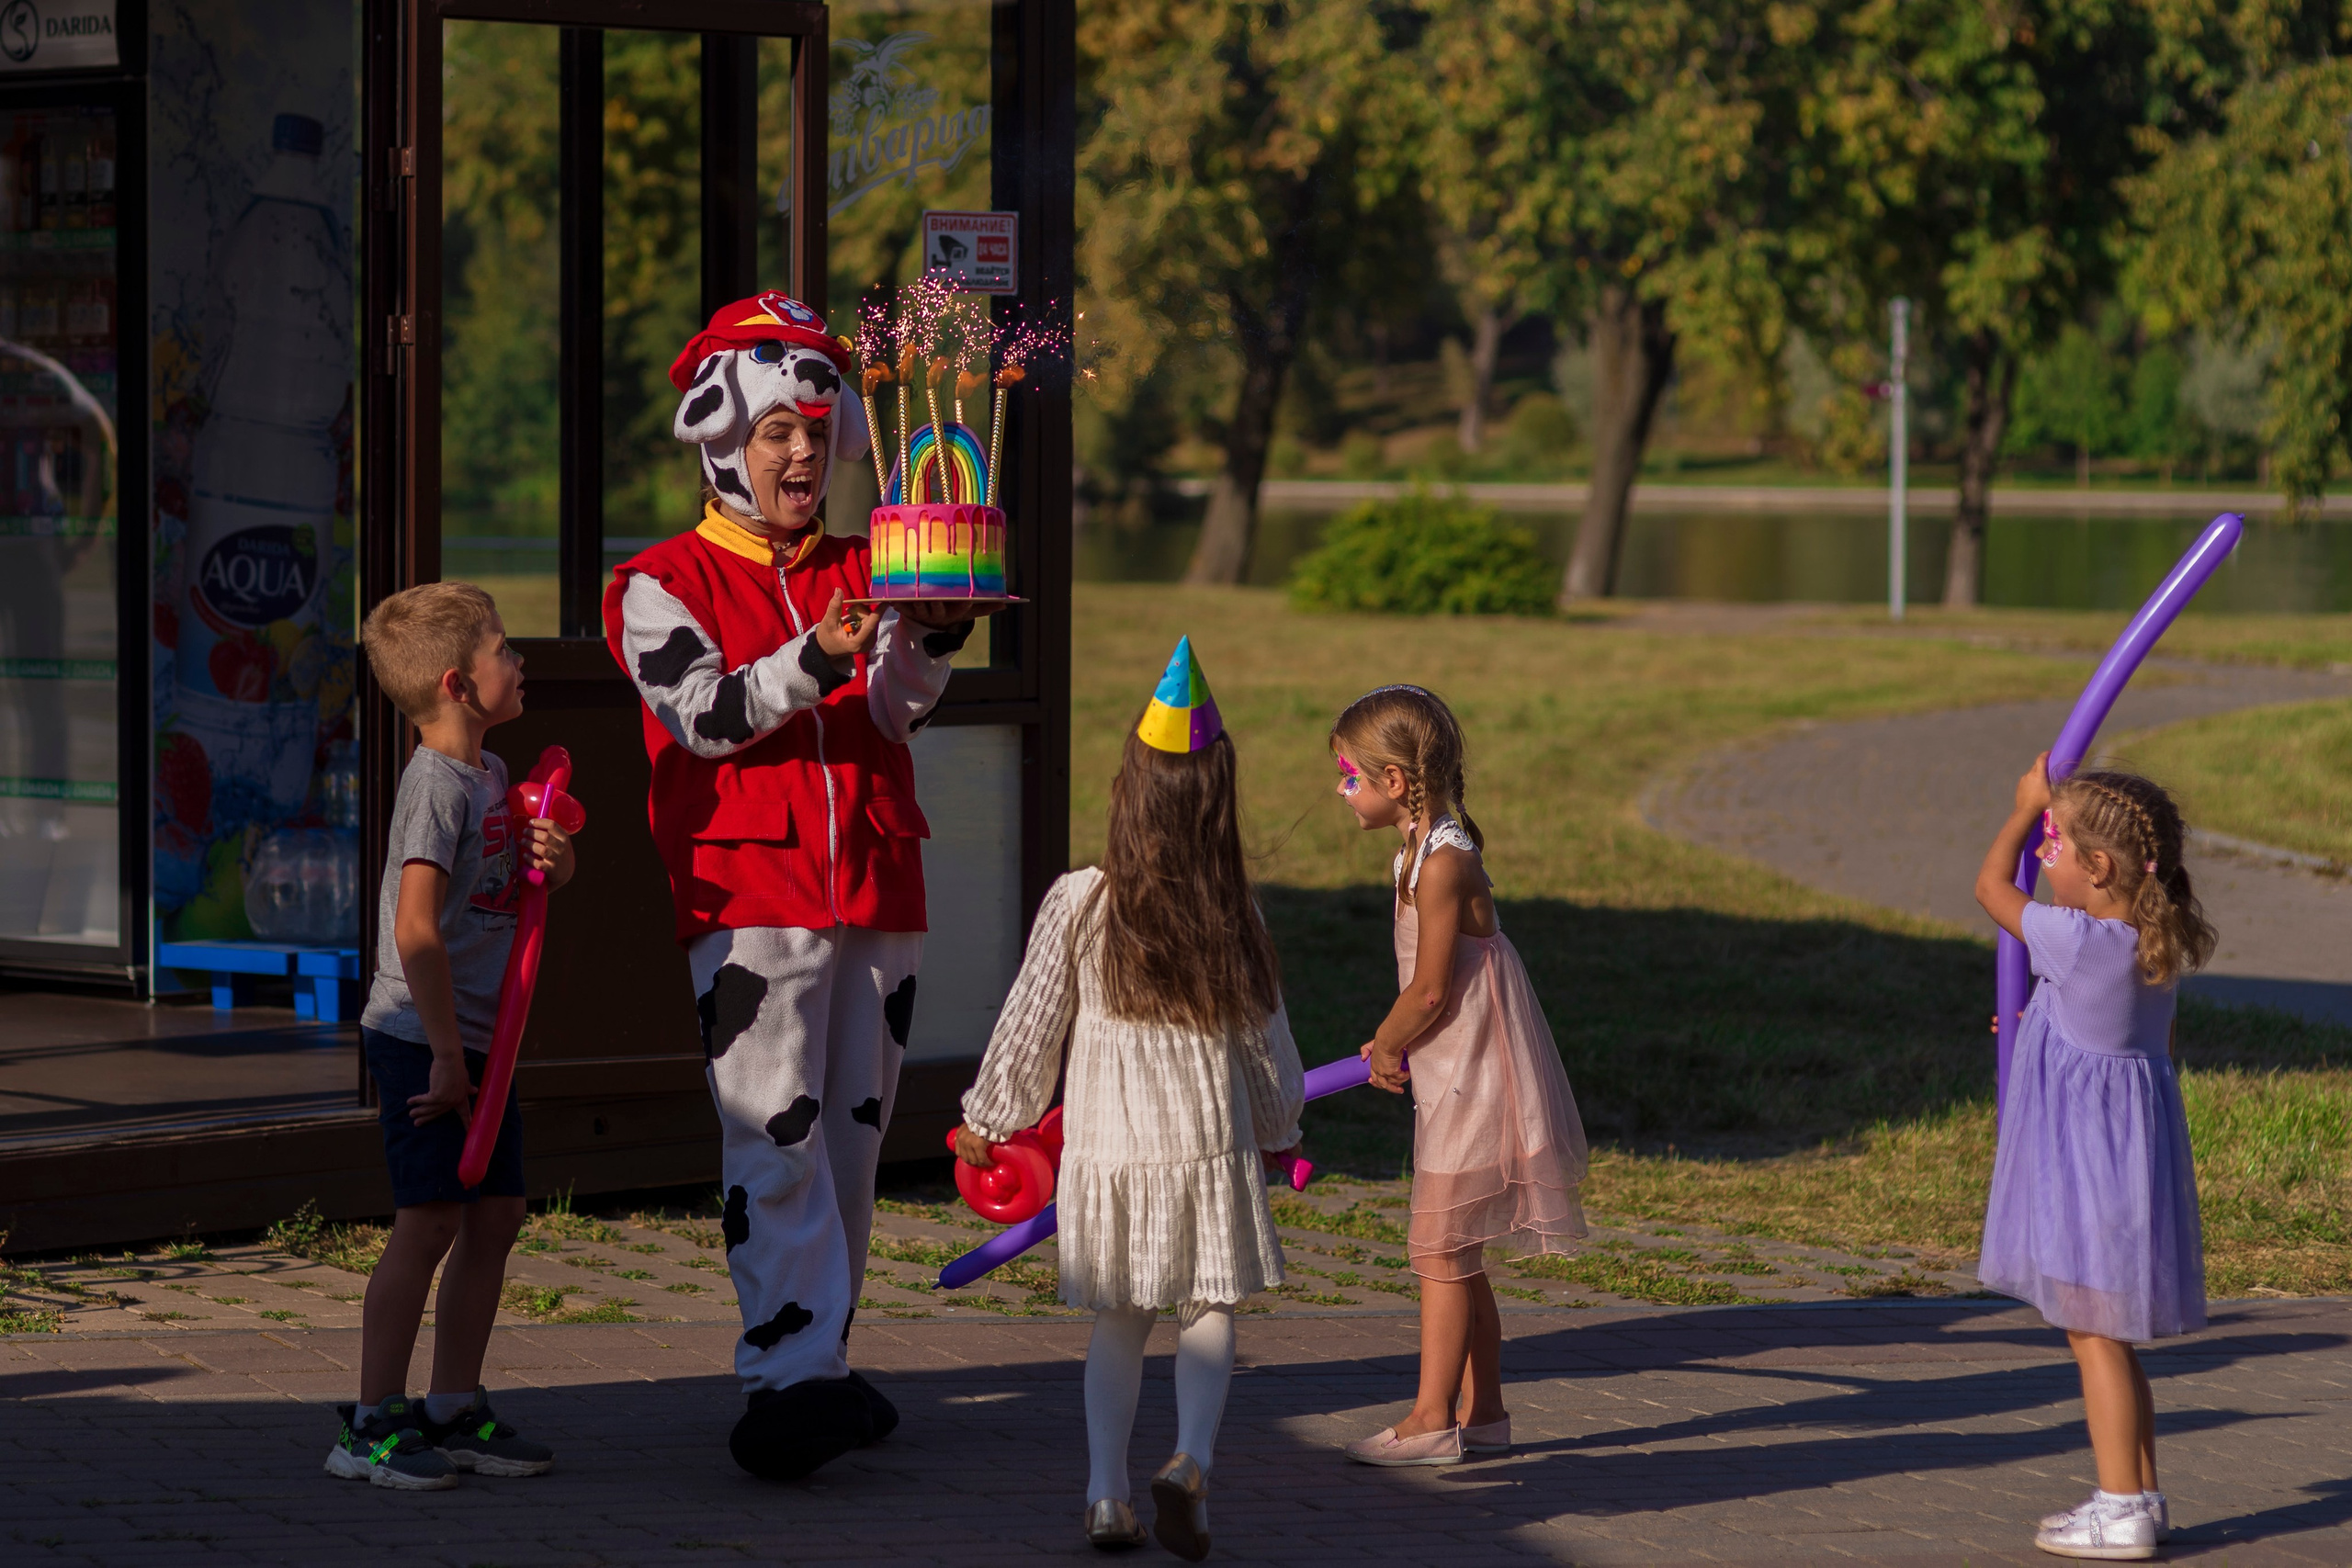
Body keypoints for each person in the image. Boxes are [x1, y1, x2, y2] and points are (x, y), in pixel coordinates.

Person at [604, 291, 997, 1482]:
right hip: (749, 894)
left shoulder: (873, 556)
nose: (800, 451)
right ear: (722, 435)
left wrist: (927, 636)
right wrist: (811, 655)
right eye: (777, 428)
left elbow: (891, 712)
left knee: (851, 1145)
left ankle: (818, 1353)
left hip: (876, 880)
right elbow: (705, 718)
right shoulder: (653, 583)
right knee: (772, 1136)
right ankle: (784, 1377)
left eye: (816, 430)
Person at [955, 637, 1304, 1560]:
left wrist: (989, 1121)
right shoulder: (1235, 915)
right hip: (1206, 1146)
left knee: (1119, 1320)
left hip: (1107, 1153)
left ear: (1130, 788)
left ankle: (1107, 1494)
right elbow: (1267, 1051)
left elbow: (1029, 1027)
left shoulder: (1080, 900)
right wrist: (1280, 1130)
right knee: (1208, 1309)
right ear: (1218, 798)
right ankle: (1190, 1459)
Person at [333, 581, 575, 1490]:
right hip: (423, 1037)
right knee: (429, 1217)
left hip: (483, 1041)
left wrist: (560, 855)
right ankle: (370, 1422)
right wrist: (443, 1053)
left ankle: (452, 1404)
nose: (519, 662)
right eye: (502, 650)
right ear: (458, 684)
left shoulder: (492, 775)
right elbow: (417, 930)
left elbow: (516, 883)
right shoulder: (434, 786)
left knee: (497, 1213)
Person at [1330, 684, 1589, 1468]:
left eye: (1351, 776)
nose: (1342, 790)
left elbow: (1433, 987)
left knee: (1441, 1251)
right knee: (1459, 1247)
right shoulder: (1415, 851)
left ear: (1396, 781)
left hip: (1476, 1067)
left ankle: (1430, 1419)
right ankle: (1487, 1413)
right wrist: (1404, 1044)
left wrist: (1384, 1042)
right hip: (1453, 1063)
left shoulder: (1444, 859)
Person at [1973, 756, 2214, 1561]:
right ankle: (2140, 1495)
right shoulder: (2146, 945)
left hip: (2084, 1171)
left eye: (2054, 842)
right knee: (2112, 1337)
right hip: (2127, 1167)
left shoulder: (2074, 939)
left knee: (2092, 1338)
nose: (2045, 853)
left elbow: (1988, 888)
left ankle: (2120, 1507)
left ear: (2098, 866)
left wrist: (2020, 808)